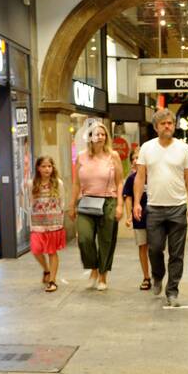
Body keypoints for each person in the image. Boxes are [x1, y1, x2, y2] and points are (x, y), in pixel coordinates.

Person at [134, 108, 188, 307]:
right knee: (154, 249)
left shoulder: (183, 148)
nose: (167, 126)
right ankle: (158, 275)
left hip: (178, 207)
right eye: (163, 123)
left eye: (170, 123)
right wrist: (136, 202)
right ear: (156, 127)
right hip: (154, 208)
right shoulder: (147, 148)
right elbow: (140, 176)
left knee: (176, 254)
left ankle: (172, 291)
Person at [68, 119, 123, 291]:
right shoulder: (82, 156)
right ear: (89, 137)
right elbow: (76, 183)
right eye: (96, 134)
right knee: (84, 239)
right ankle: (93, 268)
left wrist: (120, 205)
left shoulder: (113, 156)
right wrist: (72, 204)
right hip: (86, 202)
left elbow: (120, 182)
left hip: (108, 201)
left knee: (106, 240)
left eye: (103, 134)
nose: (100, 137)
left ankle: (103, 275)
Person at [30, 155, 65, 292]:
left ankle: (53, 281)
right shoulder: (32, 183)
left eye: (49, 166)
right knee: (36, 249)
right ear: (38, 168)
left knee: (52, 251)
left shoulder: (58, 183)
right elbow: (29, 201)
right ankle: (46, 270)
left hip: (53, 222)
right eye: (43, 166)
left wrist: (60, 218)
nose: (47, 169)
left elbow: (62, 201)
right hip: (37, 222)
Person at [122, 145, 152, 290]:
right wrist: (128, 216)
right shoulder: (131, 179)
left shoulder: (154, 176)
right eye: (133, 158)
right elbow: (128, 198)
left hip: (155, 217)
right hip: (139, 217)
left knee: (156, 248)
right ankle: (146, 276)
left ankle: (157, 274)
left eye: (138, 158)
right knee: (142, 247)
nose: (135, 161)